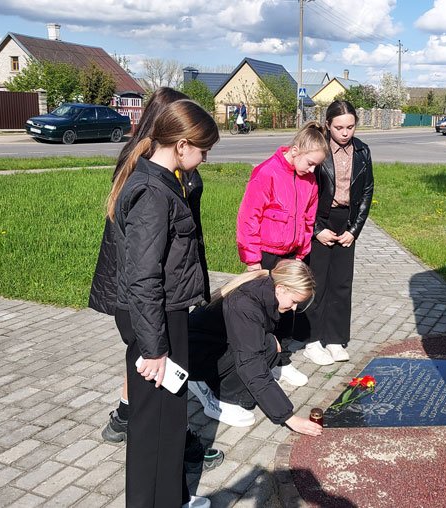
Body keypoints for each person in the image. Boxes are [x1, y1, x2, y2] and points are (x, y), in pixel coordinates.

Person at [88, 88, 222, 472]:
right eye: (202, 149)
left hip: (160, 304)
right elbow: (144, 273)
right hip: (152, 307)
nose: (206, 158)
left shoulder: (165, 175)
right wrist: (153, 347)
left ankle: (168, 480)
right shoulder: (151, 186)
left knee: (163, 409)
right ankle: (153, 458)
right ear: (179, 141)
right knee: (156, 415)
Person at [235, 121, 328, 386]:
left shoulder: (310, 181)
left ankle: (282, 361)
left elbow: (309, 219)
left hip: (292, 256)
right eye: (310, 163)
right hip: (265, 255)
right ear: (296, 150)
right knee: (263, 311)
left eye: (316, 166)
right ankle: (258, 361)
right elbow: (248, 218)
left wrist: (302, 254)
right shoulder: (267, 173)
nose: (312, 170)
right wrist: (252, 260)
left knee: (288, 311)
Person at [186, 259, 323, 436]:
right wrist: (288, 417)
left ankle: (220, 385)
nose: (294, 307)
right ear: (281, 288)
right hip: (195, 358)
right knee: (267, 347)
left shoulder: (266, 290)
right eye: (294, 301)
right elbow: (250, 362)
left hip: (213, 348)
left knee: (269, 345)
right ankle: (219, 399)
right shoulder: (245, 304)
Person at [302, 100, 374, 366]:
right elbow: (306, 191)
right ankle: (313, 340)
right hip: (320, 219)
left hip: (346, 221)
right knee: (316, 281)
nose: (345, 133)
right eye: (339, 127)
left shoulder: (363, 151)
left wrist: (354, 230)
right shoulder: (318, 150)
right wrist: (317, 229)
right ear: (328, 125)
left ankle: (335, 338)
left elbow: (367, 192)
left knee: (342, 283)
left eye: (351, 127)